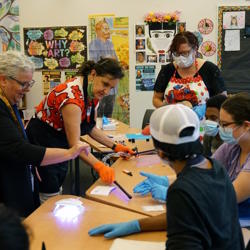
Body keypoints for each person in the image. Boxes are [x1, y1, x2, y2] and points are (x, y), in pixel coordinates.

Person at [89, 104, 244, 250]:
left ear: (160, 152)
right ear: (198, 139)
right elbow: (184, 215)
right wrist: (137, 225)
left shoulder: (181, 190)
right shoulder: (215, 168)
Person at [26, 58, 135, 203]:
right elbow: (75, 145)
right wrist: (100, 166)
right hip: (43, 140)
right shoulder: (72, 98)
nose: (107, 91)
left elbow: (90, 127)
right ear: (93, 74)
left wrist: (115, 146)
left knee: (57, 186)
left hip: (60, 139)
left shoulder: (92, 91)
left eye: (111, 88)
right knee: (48, 192)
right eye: (105, 84)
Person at [0, 51, 89, 217]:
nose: (26, 90)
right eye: (23, 84)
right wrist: (70, 153)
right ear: (3, 79)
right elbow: (17, 149)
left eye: (29, 84)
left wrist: (33, 164)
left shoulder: (9, 100)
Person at [153, 31, 226, 120]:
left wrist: (202, 109)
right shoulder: (167, 70)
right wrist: (169, 109)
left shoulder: (210, 69)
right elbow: (156, 99)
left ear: (195, 50)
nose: (181, 57)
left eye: (185, 53)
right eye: (177, 54)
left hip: (203, 123)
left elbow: (223, 100)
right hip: (172, 122)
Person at [213, 93, 250, 228]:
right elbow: (203, 172)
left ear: (246, 125)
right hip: (229, 221)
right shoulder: (232, 146)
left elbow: (228, 196)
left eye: (224, 124)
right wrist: (169, 182)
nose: (220, 129)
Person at [89, 19, 118, 118]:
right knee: (98, 114)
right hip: (101, 85)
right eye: (105, 29)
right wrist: (108, 59)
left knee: (109, 114)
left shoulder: (110, 44)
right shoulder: (93, 44)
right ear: (98, 31)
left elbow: (115, 61)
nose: (108, 31)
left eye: (108, 29)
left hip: (111, 88)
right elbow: (96, 63)